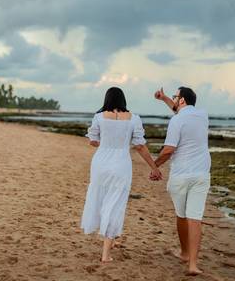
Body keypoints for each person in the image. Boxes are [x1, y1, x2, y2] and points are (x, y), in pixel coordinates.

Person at [81, 87, 162, 263]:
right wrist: (154, 167)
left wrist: (105, 141)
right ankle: (105, 254)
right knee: (116, 204)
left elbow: (93, 141)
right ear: (123, 100)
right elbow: (140, 146)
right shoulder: (134, 119)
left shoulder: (99, 117)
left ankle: (110, 239)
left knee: (101, 199)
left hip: (100, 163)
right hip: (121, 164)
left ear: (107, 99)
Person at [151, 86, 211, 276]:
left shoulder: (176, 121)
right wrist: (165, 98)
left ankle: (185, 253)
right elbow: (179, 109)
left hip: (181, 175)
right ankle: (193, 264)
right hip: (201, 175)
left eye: (176, 97)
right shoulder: (203, 115)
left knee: (182, 215)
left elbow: (169, 150)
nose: (174, 100)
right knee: (195, 218)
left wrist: (155, 166)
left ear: (182, 100)